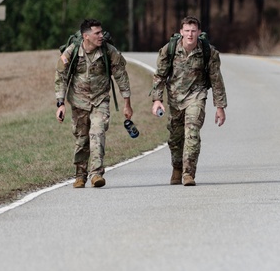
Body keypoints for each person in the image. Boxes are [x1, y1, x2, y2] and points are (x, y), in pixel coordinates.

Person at [54, 18, 133, 188]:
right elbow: (61, 76)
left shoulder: (108, 51)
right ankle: (80, 175)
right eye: (97, 33)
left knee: (97, 133)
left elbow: (121, 75)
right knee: (82, 140)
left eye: (101, 32)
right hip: (78, 102)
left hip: (100, 100)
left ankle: (96, 173)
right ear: (86, 36)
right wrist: (60, 103)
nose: (101, 36)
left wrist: (127, 102)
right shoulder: (72, 51)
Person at [150, 16, 227, 186]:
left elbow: (216, 80)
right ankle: (177, 168)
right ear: (181, 32)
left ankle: (188, 173)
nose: (190, 34)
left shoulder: (208, 52)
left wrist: (220, 107)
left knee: (192, 133)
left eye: (193, 31)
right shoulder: (168, 50)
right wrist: (157, 100)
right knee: (175, 139)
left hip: (196, 97)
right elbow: (160, 76)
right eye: (187, 31)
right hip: (175, 100)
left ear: (199, 32)